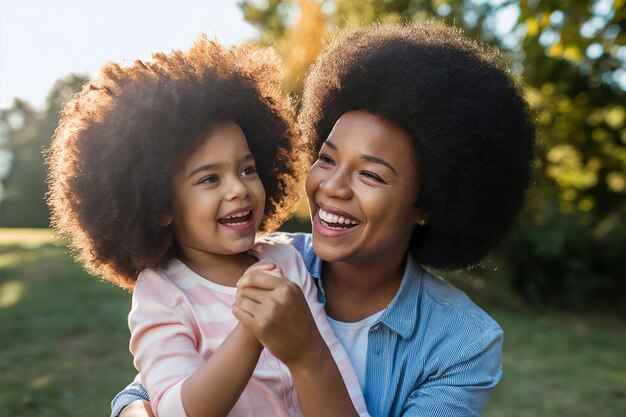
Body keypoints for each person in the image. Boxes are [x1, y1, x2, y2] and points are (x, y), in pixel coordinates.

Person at [112, 21, 535, 417]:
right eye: (326, 158)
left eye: (370, 174)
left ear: (430, 201)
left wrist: (308, 355)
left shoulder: (462, 344)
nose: (332, 186)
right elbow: (151, 386)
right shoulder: (270, 257)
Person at [46, 37, 370, 417]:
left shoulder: (287, 262)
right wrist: (249, 334)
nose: (239, 189)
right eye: (209, 179)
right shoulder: (162, 293)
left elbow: (335, 376)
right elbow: (174, 410)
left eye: (247, 169)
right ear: (161, 206)